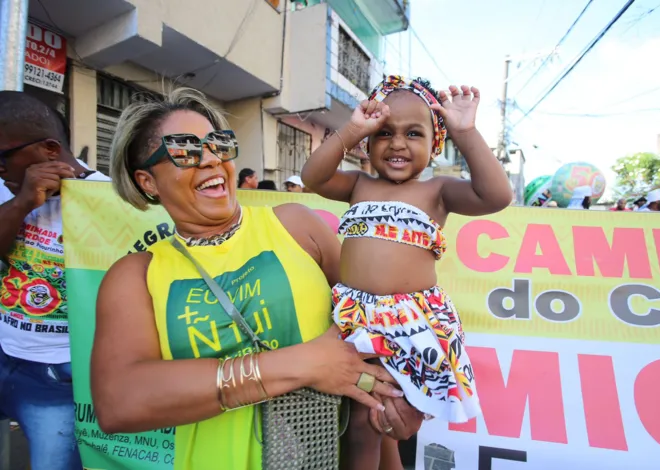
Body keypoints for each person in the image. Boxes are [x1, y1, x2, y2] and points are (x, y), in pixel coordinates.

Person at [92, 87, 421, 470]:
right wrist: (303, 363)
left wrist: (399, 411)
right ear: (148, 181)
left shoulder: (296, 227)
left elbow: (379, 325)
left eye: (219, 145)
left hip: (329, 455)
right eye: (185, 151)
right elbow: (118, 402)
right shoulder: (136, 275)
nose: (212, 160)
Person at [301, 75, 513, 466]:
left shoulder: (438, 192)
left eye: (413, 133)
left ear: (435, 146)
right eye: (384, 133)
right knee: (367, 419)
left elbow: (497, 195)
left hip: (410, 325)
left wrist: (465, 132)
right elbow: (312, 177)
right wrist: (351, 128)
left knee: (382, 419)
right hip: (355, 320)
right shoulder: (357, 184)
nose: (397, 143)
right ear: (367, 143)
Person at [0, 91, 110, 470]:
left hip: (60, 373)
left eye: (2, 158)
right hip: (5, 349)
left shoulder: (110, 200)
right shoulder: (11, 191)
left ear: (49, 149)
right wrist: (22, 203)